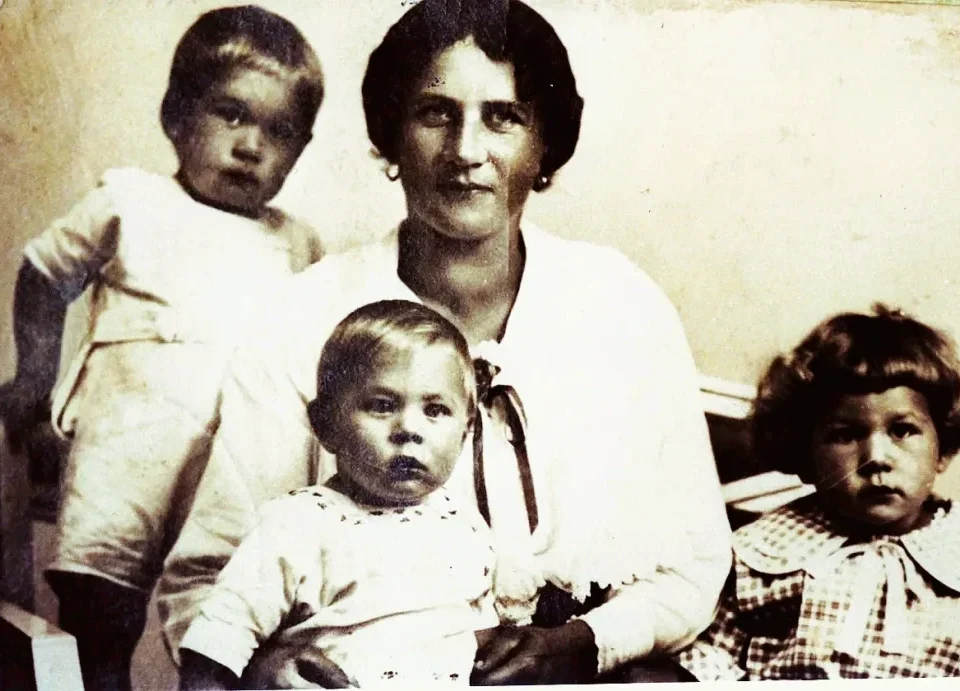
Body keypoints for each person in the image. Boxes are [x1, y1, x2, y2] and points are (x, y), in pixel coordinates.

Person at [159, 0, 732, 685]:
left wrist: (587, 642)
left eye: (503, 116)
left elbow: (697, 560)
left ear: (544, 143)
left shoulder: (622, 307)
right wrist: (266, 674)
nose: (466, 151)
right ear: (392, 136)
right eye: (435, 113)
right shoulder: (306, 313)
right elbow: (207, 572)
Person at [0, 6, 325, 690]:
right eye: (230, 114)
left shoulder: (297, 244)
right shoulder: (131, 200)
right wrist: (34, 376)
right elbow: (43, 273)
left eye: (279, 130)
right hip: (128, 451)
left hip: (232, 472)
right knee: (101, 628)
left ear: (300, 149)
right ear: (177, 115)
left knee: (222, 627)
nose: (250, 145)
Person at [179, 300, 504, 689]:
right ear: (326, 425)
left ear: (466, 430)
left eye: (435, 410)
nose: (409, 429)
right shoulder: (297, 525)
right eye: (382, 407)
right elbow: (212, 652)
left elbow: (482, 638)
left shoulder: (464, 523)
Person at [676, 305, 960, 679]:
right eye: (845, 435)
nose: (876, 458)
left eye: (903, 430)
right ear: (804, 454)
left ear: (943, 447)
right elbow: (709, 663)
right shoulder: (764, 554)